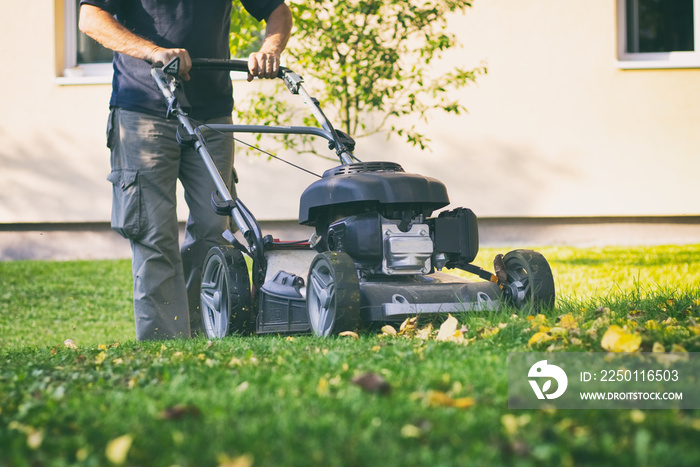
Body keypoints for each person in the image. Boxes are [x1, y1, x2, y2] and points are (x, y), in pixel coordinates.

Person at [79, 0, 293, 340]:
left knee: (214, 230)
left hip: (211, 114)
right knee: (154, 234)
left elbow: (277, 10)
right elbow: (90, 18)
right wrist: (153, 51)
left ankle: (199, 333)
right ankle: (165, 343)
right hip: (143, 110)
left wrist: (269, 48)